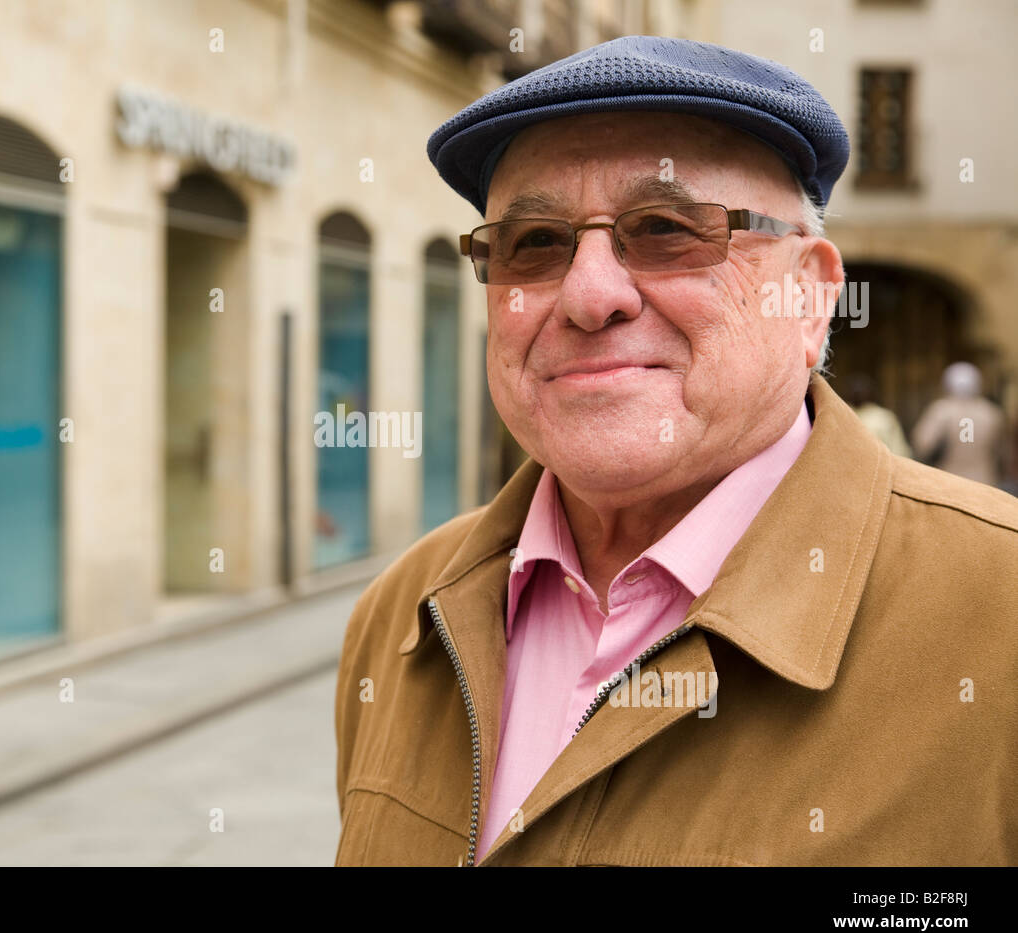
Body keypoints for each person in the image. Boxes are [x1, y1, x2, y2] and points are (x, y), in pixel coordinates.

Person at [333, 36, 1018, 866]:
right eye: (536, 243)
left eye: (665, 228)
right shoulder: (406, 611)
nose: (589, 295)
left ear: (810, 297)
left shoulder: (996, 616)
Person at [911, 361, 1009, 486]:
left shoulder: (941, 411)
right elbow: (1002, 453)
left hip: (949, 480)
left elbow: (922, 445)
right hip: (985, 482)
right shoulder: (991, 413)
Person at [845, 373, 911, 457]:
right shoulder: (842, 413)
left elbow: (898, 450)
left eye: (861, 390)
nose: (858, 393)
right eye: (854, 390)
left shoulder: (884, 418)